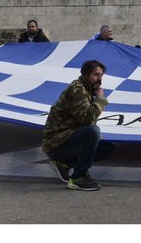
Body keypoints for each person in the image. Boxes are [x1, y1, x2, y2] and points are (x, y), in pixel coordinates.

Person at [42, 59, 112, 190]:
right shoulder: (77, 89)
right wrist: (100, 100)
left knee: (106, 148)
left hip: (66, 139)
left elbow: (84, 121)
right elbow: (87, 119)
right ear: (85, 75)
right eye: (95, 75)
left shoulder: (87, 89)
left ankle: (64, 164)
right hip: (56, 144)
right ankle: (78, 178)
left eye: (101, 75)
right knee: (93, 132)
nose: (99, 78)